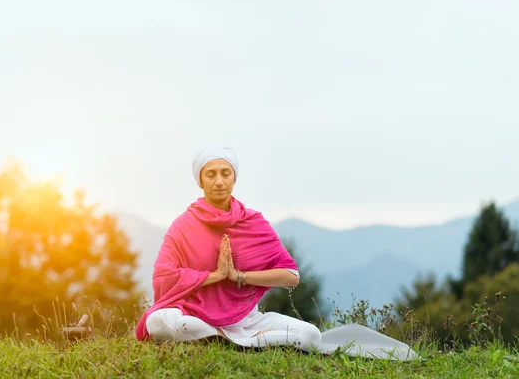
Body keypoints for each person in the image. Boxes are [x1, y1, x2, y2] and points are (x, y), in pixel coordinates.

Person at [135, 144, 418, 360]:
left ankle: (223, 338)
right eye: (211, 174)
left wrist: (238, 277)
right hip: (194, 314)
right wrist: (215, 275)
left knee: (310, 335)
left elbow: (291, 276)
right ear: (200, 180)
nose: (219, 181)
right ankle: (220, 336)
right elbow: (164, 277)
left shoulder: (253, 222)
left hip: (247, 319)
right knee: (159, 320)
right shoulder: (184, 225)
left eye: (225, 173)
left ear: (234, 178)